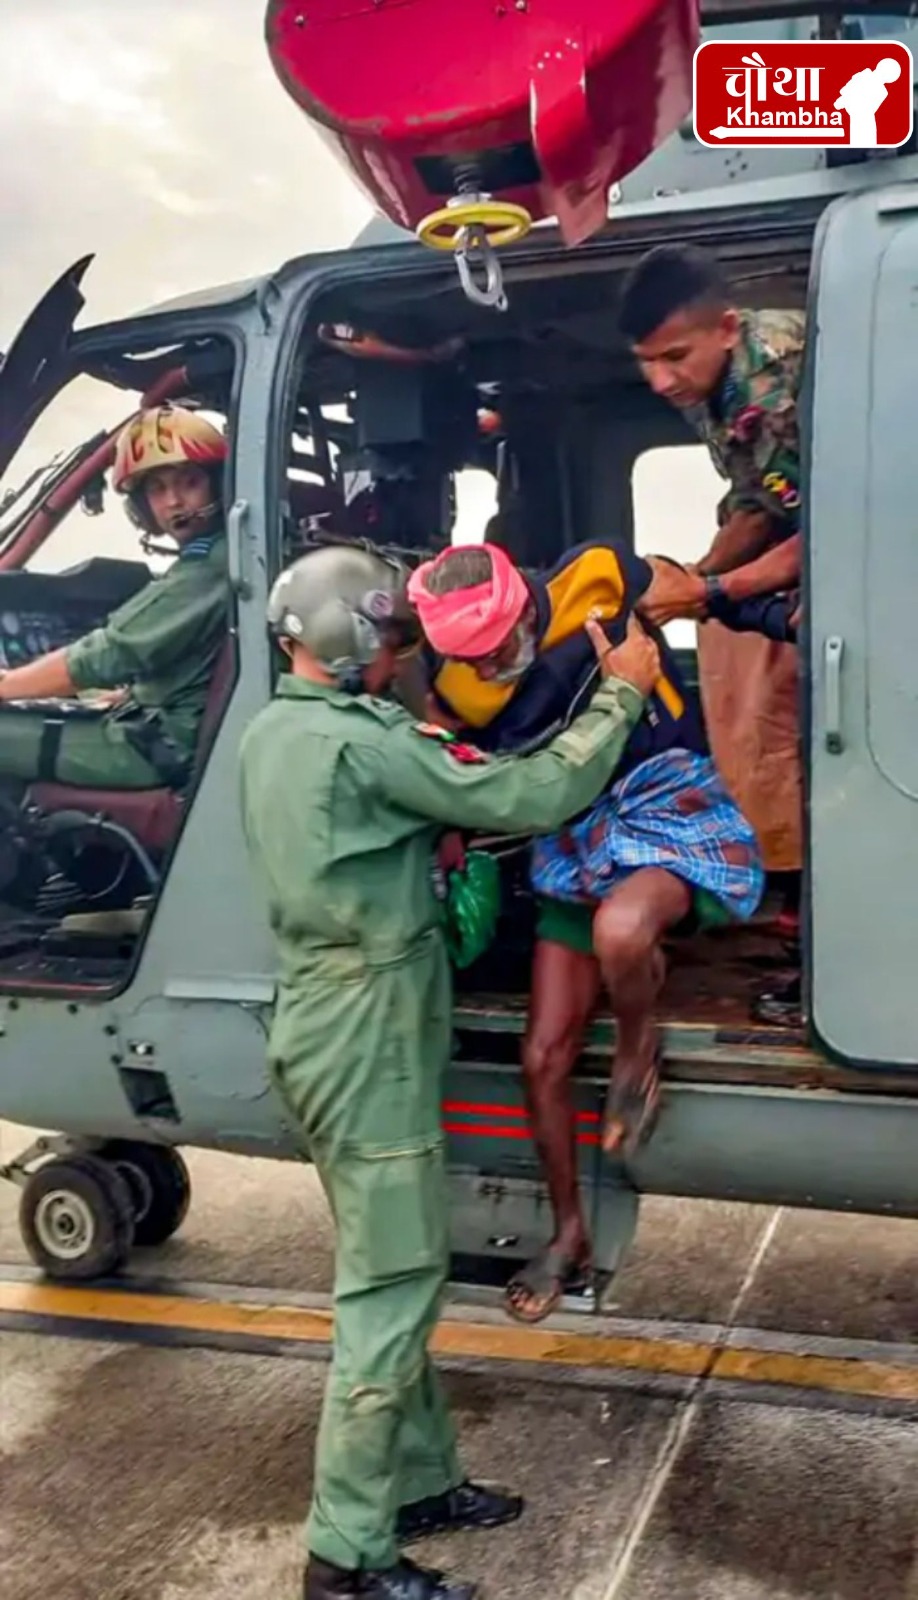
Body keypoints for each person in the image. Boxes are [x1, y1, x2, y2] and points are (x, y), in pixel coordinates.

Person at [237, 539, 663, 1600]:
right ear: (347, 642)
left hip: (336, 1015)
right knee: (389, 1291)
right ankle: (348, 1558)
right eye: (387, 639)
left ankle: (418, 1480)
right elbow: (526, 796)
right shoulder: (361, 745)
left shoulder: (282, 730)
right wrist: (618, 697)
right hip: (365, 1026)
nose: (400, 656)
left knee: (397, 1267)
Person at [406, 540, 764, 1324]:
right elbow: (439, 751)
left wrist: (672, 618)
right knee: (542, 1055)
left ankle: (640, 1039)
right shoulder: (456, 681)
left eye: (500, 640)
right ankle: (570, 1234)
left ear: (523, 602)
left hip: (667, 810)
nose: (493, 659)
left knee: (623, 929)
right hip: (571, 841)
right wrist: (449, 833)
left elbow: (686, 590)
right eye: (472, 652)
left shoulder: (592, 576)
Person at [617, 244, 806, 1018]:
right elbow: (761, 502)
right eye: (645, 363)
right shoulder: (714, 389)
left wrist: (717, 588)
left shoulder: (786, 375)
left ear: (728, 328)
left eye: (674, 356)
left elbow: (831, 518)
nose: (661, 380)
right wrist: (694, 579)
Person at [0, 404, 229, 791]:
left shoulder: (209, 570)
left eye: (189, 482)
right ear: (142, 506)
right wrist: (125, 696)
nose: (174, 501)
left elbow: (109, 653)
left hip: (159, 748)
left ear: (217, 486)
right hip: (165, 729)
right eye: (157, 488)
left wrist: (6, 685)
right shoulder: (218, 558)